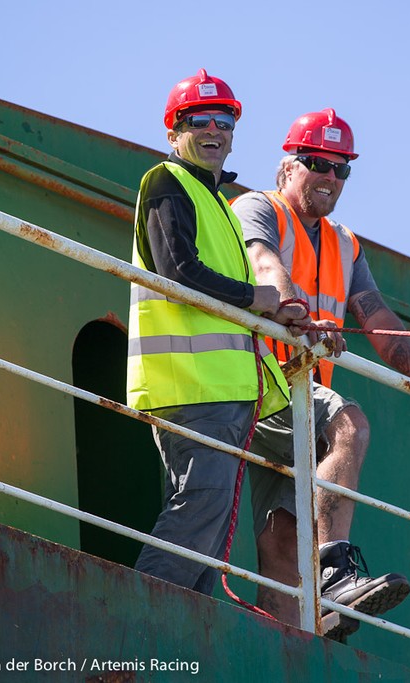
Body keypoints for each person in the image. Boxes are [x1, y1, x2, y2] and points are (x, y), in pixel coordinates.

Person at [232, 108, 410, 640]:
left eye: (342, 169)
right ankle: (336, 571)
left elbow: (375, 315)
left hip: (295, 397)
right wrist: (292, 305)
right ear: (287, 167)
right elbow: (262, 261)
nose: (330, 177)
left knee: (282, 538)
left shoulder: (345, 244)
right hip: (255, 378)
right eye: (317, 163)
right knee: (349, 426)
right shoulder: (256, 209)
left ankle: (286, 643)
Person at [127, 69, 309, 596]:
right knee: (200, 505)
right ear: (174, 131)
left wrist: (277, 314)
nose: (214, 131)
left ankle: (183, 634)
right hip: (191, 386)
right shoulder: (167, 181)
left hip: (223, 389)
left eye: (224, 121)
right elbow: (176, 268)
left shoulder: (219, 203)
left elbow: (225, 292)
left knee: (208, 535)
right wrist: (259, 298)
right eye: (200, 121)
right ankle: (141, 618)